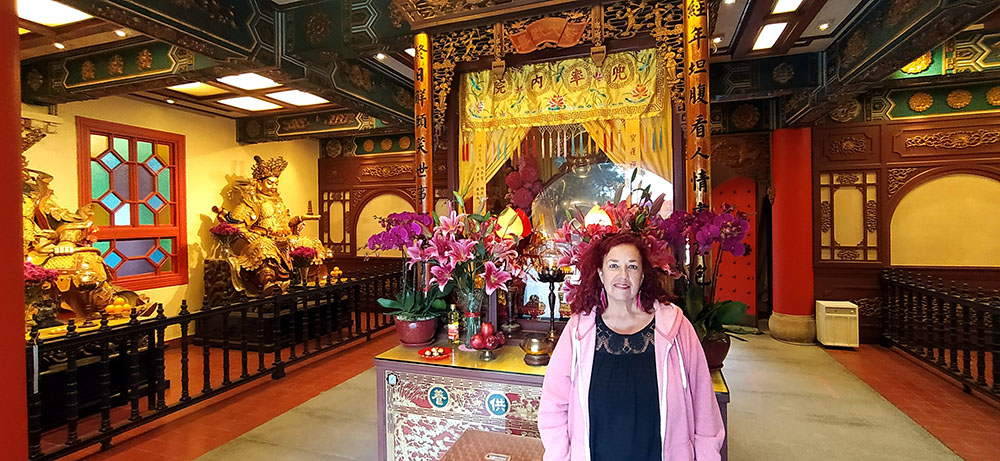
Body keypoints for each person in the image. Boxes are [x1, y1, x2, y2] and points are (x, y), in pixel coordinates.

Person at [538, 232, 724, 461]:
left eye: (632, 266)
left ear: (643, 275)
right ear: (601, 273)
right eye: (614, 265)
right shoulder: (579, 331)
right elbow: (553, 406)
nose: (623, 275)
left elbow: (704, 406)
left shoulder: (675, 327)